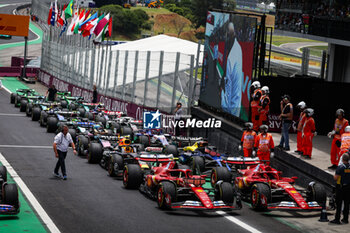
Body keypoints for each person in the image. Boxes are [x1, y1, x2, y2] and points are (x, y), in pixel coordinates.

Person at [221, 22, 243, 118]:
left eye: (228, 33)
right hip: (233, 104)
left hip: (231, 108)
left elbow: (229, 85)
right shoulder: (236, 48)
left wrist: (222, 94)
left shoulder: (233, 55)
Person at [330, 153, 350, 224]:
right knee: (347, 204)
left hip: (340, 187)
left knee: (339, 204)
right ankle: (345, 219)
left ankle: (337, 219)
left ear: (342, 159)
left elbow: (336, 178)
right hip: (348, 187)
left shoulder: (340, 167)